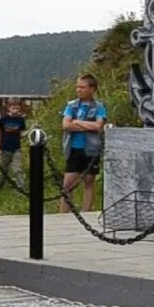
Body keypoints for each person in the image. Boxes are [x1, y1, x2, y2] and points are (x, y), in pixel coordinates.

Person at [60, 73, 106, 214]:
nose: (78, 90)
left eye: (82, 87)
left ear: (92, 89)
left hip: (91, 148)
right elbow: (66, 125)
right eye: (77, 87)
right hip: (74, 148)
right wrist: (88, 125)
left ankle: (86, 211)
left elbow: (98, 126)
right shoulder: (71, 106)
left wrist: (78, 122)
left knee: (89, 180)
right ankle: (63, 214)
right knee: (67, 184)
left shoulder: (99, 107)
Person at [0, 100, 27, 192]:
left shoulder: (20, 120)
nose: (15, 110)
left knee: (17, 169)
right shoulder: (4, 119)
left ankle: (21, 189)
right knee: (3, 170)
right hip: (5, 148)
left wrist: (28, 133)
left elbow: (21, 133)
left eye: (17, 108)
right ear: (9, 108)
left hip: (16, 148)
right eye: (13, 108)